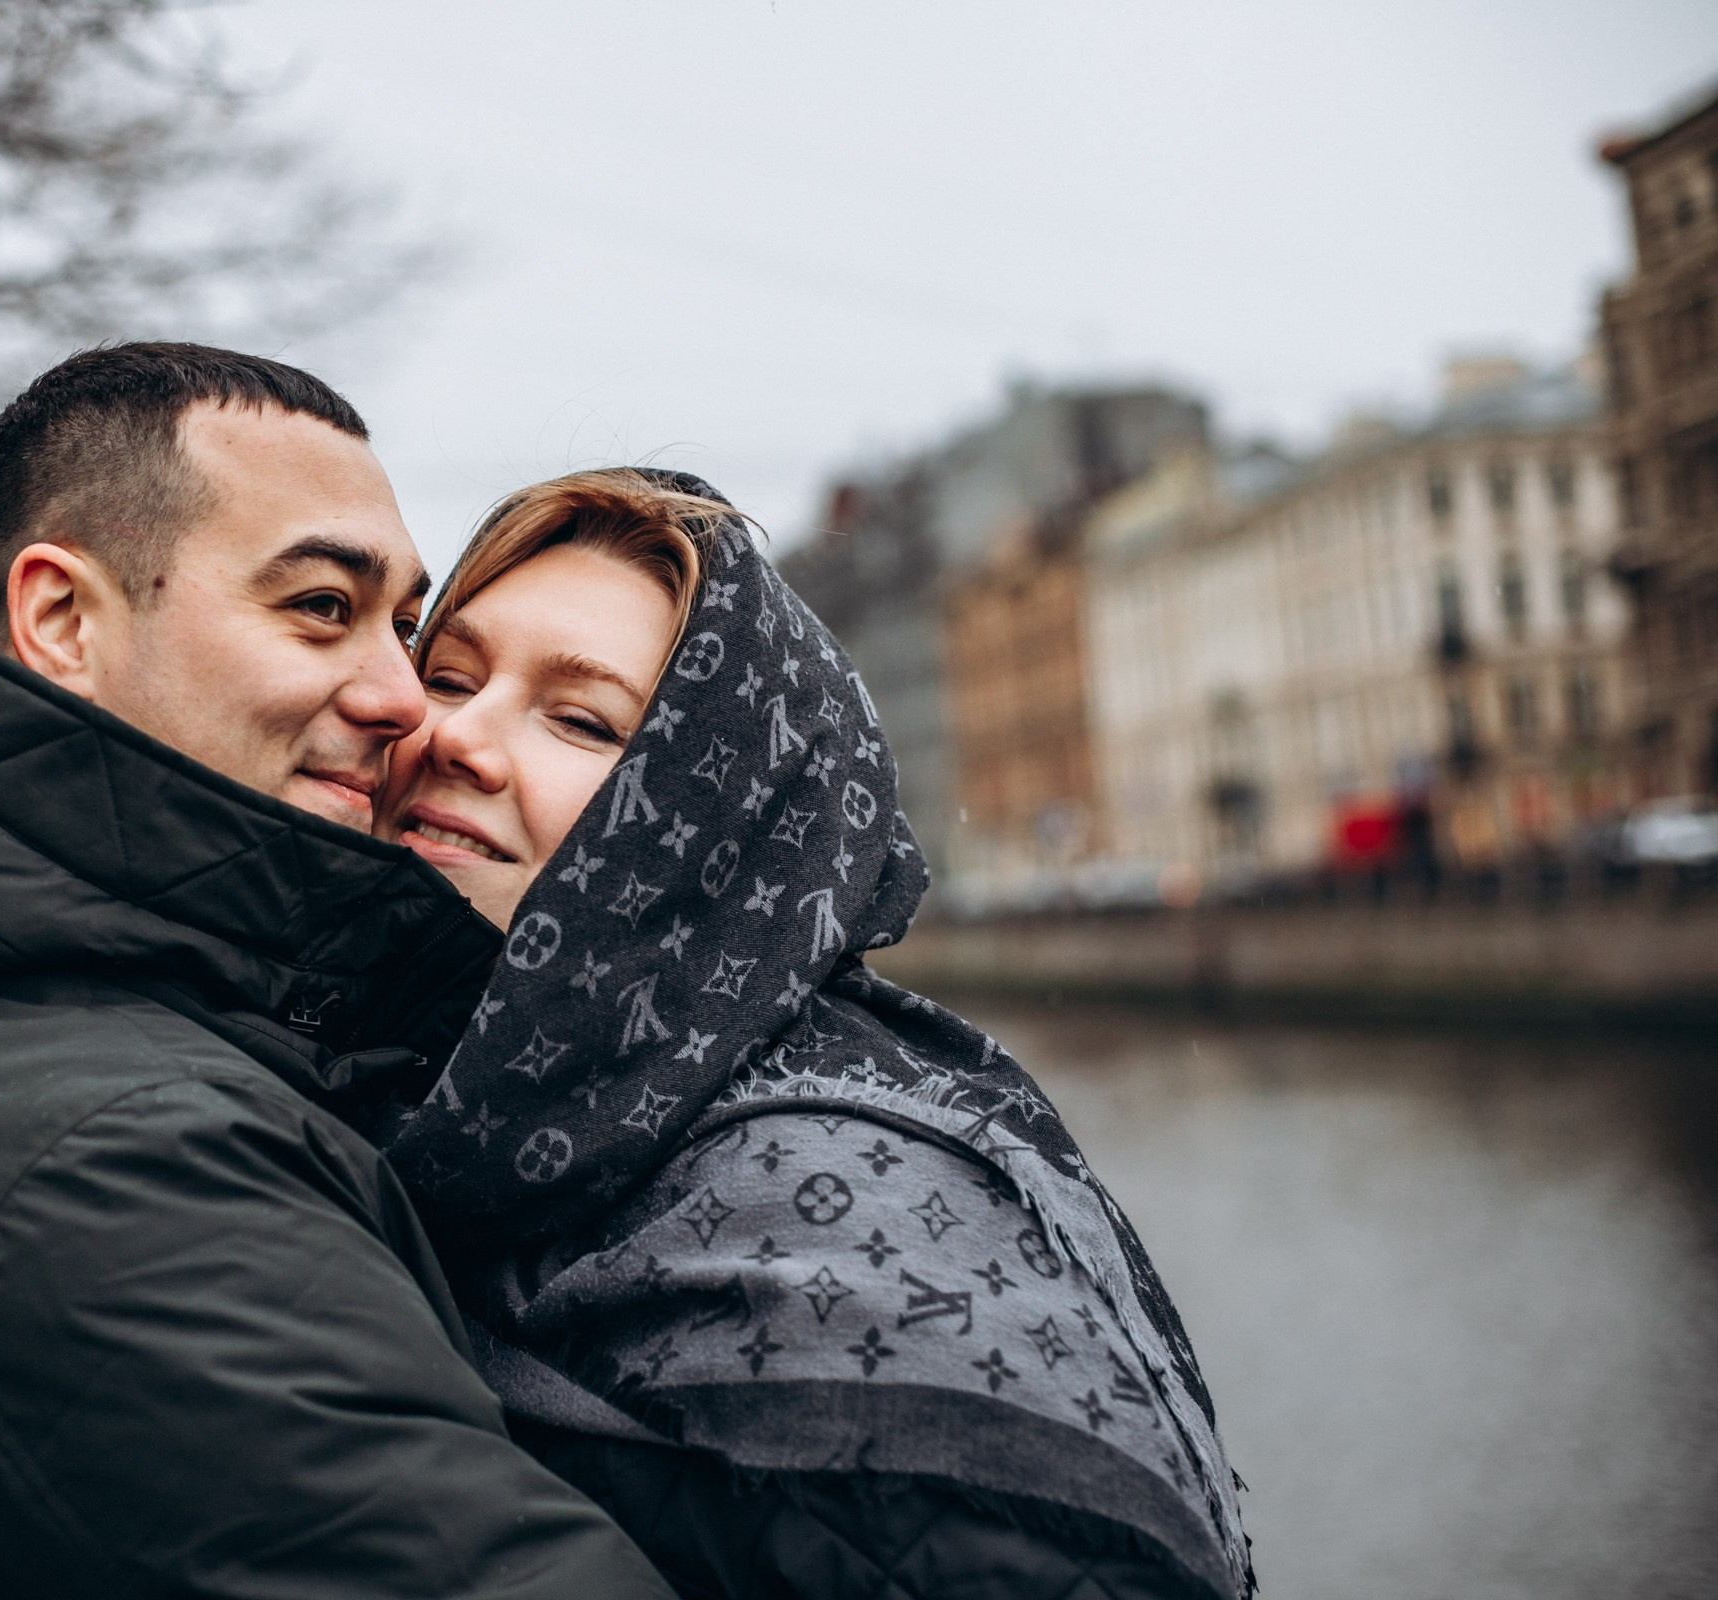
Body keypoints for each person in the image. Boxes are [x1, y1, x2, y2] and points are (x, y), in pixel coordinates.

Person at [0, 345, 674, 1598]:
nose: (403, 698)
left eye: (402, 625)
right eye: (323, 605)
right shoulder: (111, 1158)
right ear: (61, 618)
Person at [370, 469, 1250, 1600]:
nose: (457, 735)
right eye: (446, 675)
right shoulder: (410, 1112)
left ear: (718, 826)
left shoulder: (843, 1212)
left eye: (582, 719)